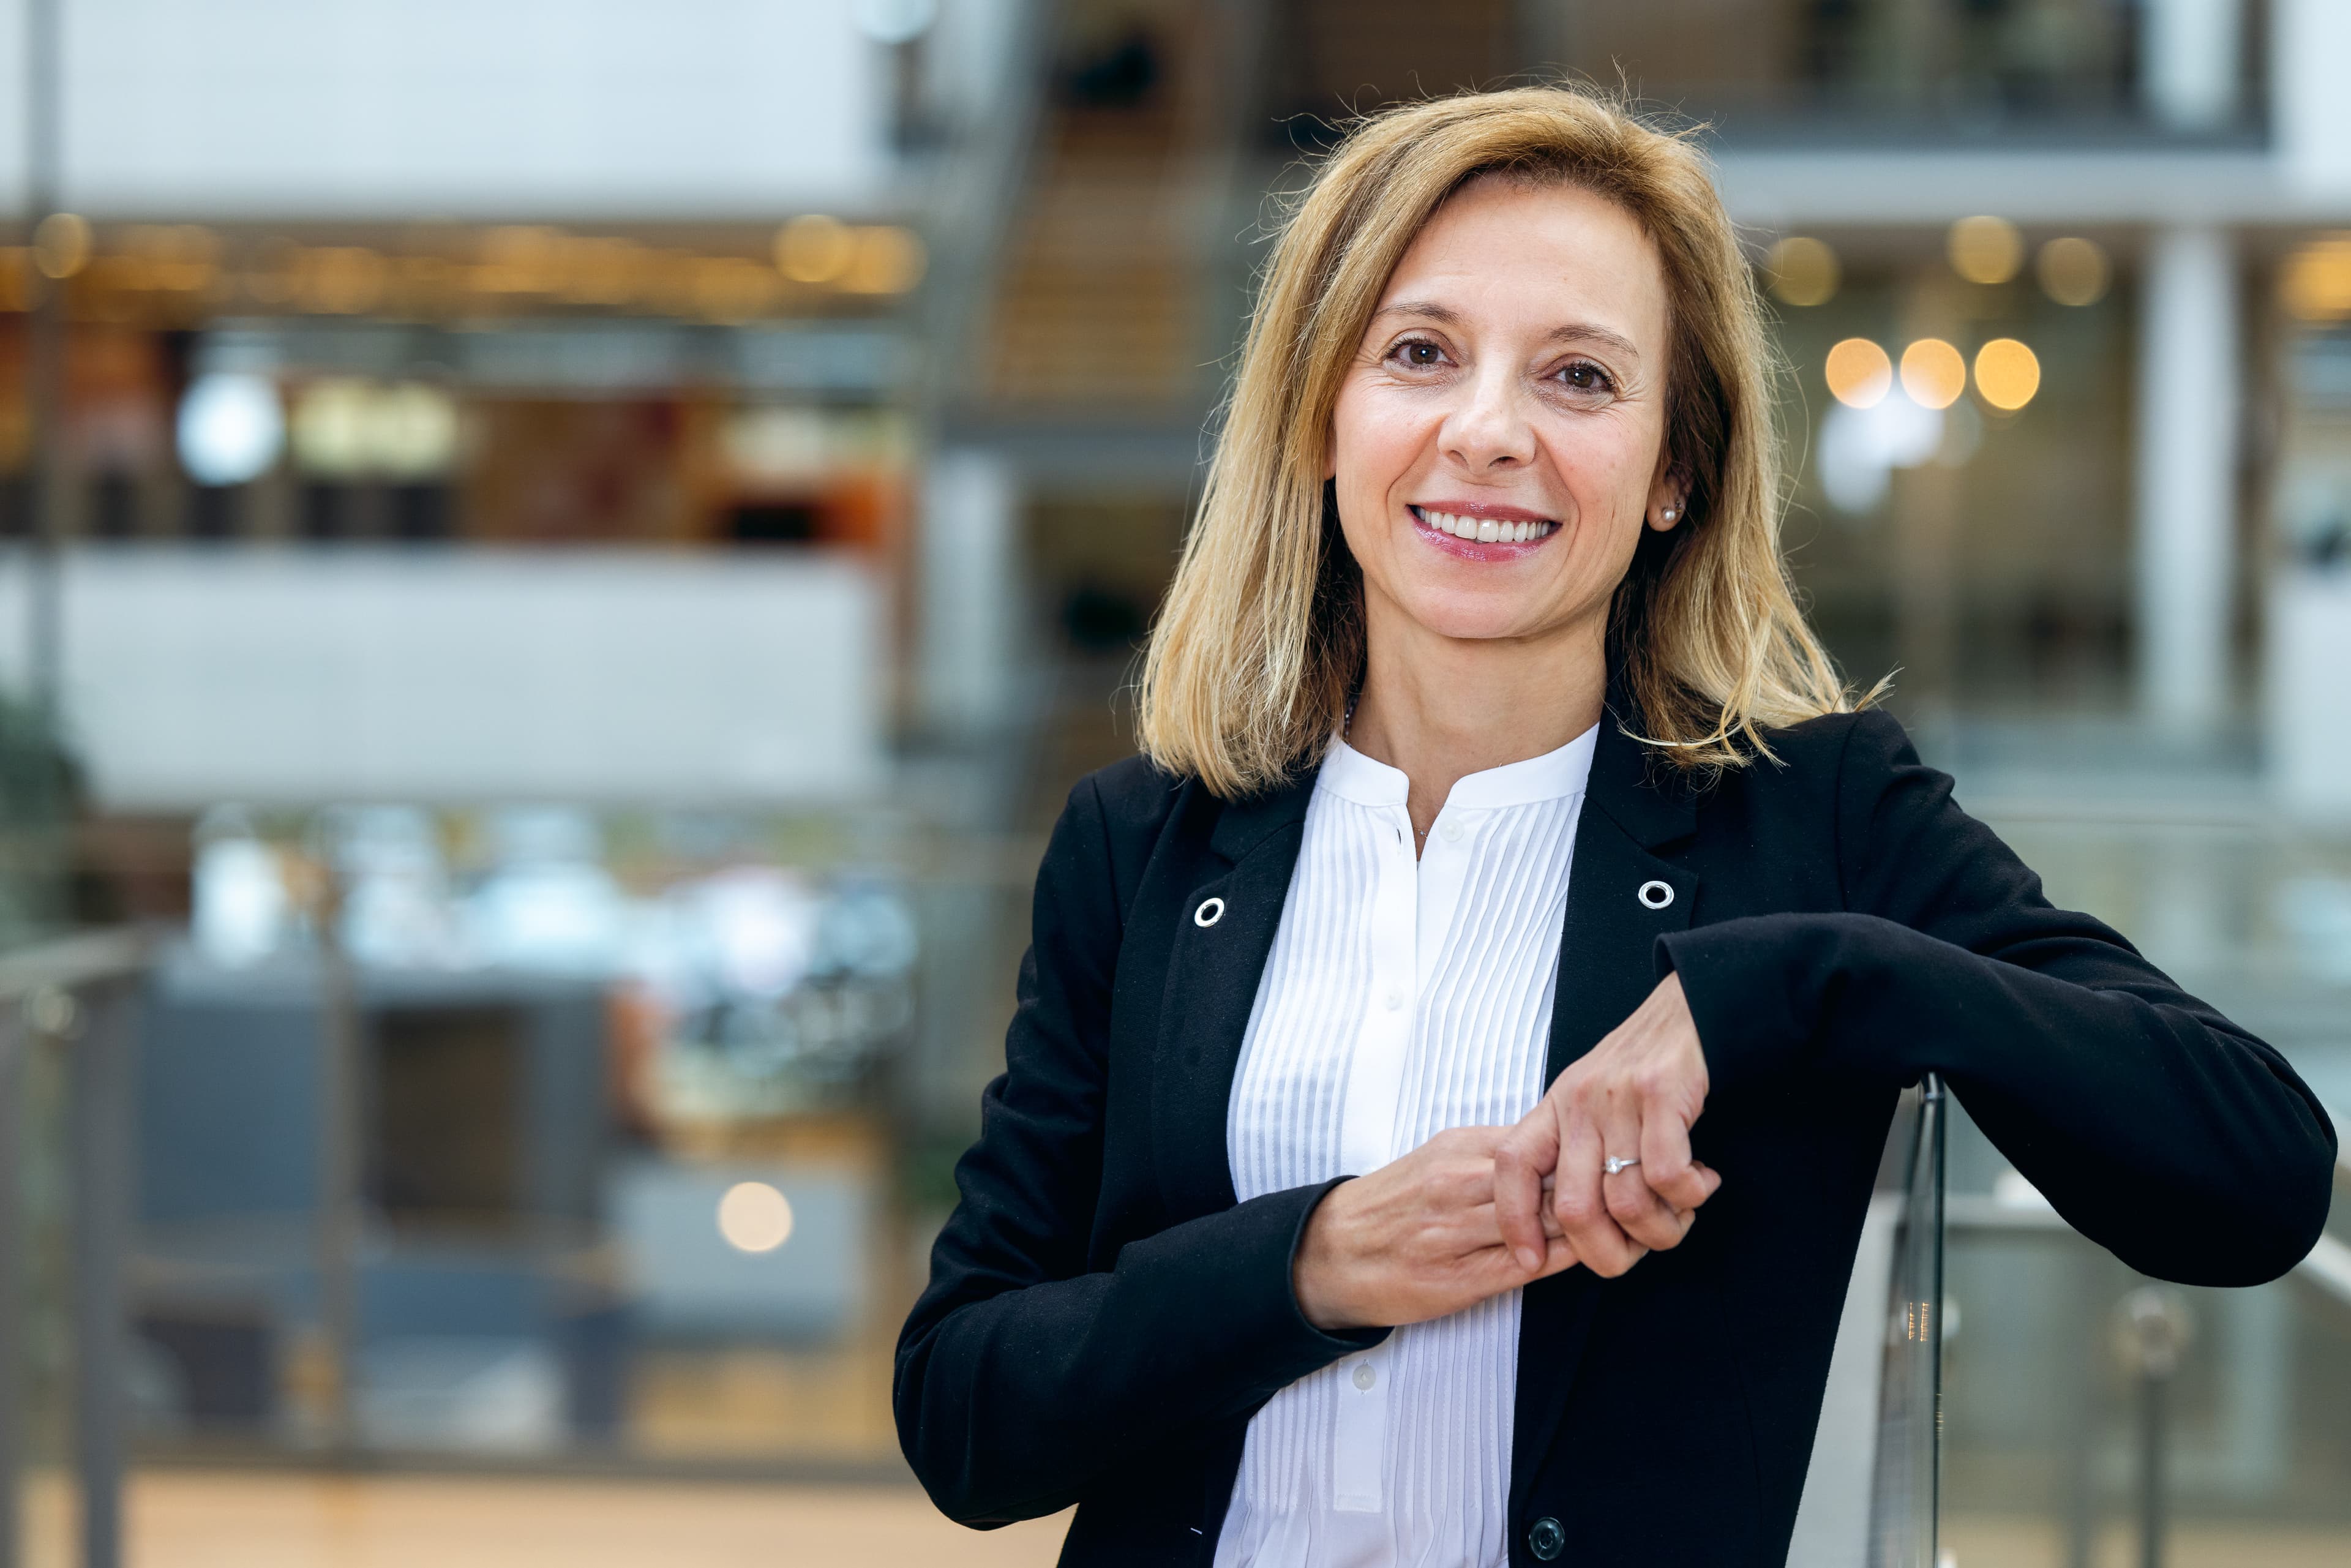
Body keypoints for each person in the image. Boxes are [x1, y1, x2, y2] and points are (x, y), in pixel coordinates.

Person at [893, 85, 2338, 1567]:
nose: (1487, 431)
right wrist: (1312, 1265)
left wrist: (1796, 985)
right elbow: (964, 1411)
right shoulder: (1141, 843)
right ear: (1324, 418)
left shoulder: (1819, 816)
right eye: (1420, 354)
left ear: (1673, 473)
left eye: (1578, 378)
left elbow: (2257, 1178)